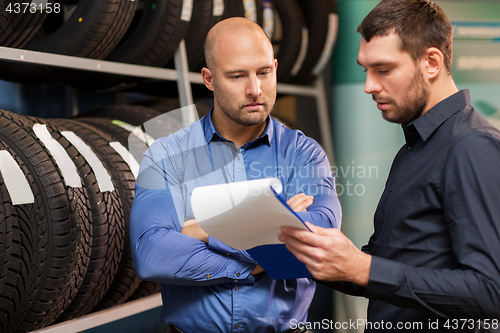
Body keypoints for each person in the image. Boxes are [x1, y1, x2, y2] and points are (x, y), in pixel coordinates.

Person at [279, 0, 500, 331]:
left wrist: (362, 267)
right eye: (364, 70)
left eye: (383, 70)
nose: (369, 86)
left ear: (432, 62)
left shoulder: (472, 146)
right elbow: (391, 269)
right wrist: (312, 252)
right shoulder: (415, 147)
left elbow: (490, 293)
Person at [129, 17, 342, 333]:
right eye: (237, 75)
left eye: (264, 73)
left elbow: (317, 241)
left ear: (275, 67)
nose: (255, 89)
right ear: (209, 78)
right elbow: (152, 254)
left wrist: (203, 228)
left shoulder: (304, 153)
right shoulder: (166, 155)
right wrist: (264, 251)